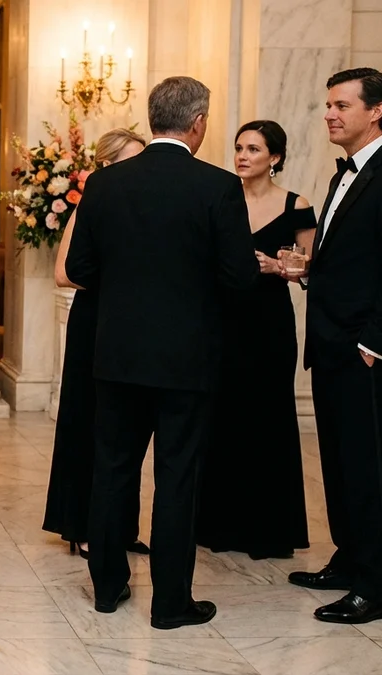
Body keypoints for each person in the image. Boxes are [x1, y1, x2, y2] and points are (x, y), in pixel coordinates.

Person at [64, 77, 258, 629]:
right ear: (198, 123)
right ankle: (171, 603)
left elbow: (79, 269)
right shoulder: (219, 186)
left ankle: (106, 587)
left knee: (113, 468)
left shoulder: (104, 185)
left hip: (118, 355)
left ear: (153, 119)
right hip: (187, 359)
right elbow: (240, 276)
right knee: (178, 475)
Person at [282, 67, 382, 625]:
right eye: (327, 105)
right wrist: (302, 270)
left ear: (377, 112)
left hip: (364, 348)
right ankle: (349, 557)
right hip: (329, 342)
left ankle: (374, 581)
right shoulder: (342, 173)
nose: (330, 114)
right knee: (341, 463)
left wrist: (375, 341)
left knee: (368, 468)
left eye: (342, 105)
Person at [195, 120, 313, 560]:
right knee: (219, 417)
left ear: (275, 158)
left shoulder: (296, 205)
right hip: (221, 320)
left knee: (267, 418)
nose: (242, 156)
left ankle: (267, 530)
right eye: (239, 147)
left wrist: (279, 268)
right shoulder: (222, 197)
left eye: (254, 150)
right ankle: (216, 525)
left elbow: (311, 267)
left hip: (269, 324)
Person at [44, 128, 150, 559]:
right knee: (89, 421)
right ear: (106, 165)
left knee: (126, 429)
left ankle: (120, 527)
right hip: (95, 323)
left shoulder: (143, 207)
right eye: (131, 160)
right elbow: (63, 272)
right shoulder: (90, 205)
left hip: (132, 326)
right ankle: (82, 526)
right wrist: (123, 281)